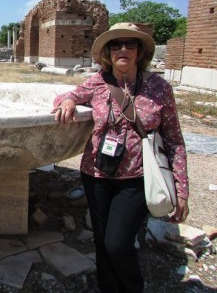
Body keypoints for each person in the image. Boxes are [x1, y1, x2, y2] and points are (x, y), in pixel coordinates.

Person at [51, 22, 189, 293]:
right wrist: (67, 102)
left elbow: (175, 141)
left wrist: (181, 189)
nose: (123, 49)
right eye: (116, 45)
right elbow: (67, 94)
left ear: (140, 51)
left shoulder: (159, 88)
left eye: (130, 44)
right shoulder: (98, 82)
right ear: (107, 52)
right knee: (102, 242)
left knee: (117, 244)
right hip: (96, 174)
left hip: (137, 177)